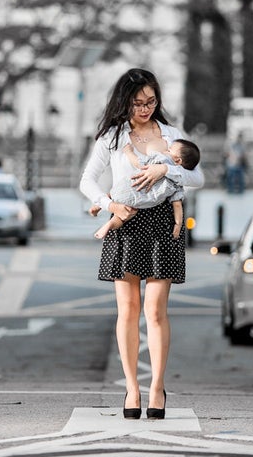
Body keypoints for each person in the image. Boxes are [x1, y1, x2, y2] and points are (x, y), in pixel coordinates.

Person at [79, 68, 204, 420]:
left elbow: (198, 175)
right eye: (138, 103)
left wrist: (166, 171)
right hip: (127, 219)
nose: (145, 109)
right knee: (128, 309)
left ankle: (157, 388)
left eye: (151, 102)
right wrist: (109, 205)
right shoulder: (113, 137)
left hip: (164, 222)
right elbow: (87, 180)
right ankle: (132, 388)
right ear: (125, 101)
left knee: (155, 310)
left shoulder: (171, 134)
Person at [89, 138, 201, 240]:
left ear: (177, 160)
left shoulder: (161, 159)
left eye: (169, 150)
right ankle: (109, 225)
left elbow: (138, 163)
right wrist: (178, 224)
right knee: (121, 218)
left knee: (113, 193)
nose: (166, 151)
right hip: (139, 202)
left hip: (128, 186)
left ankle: (98, 205)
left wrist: (129, 152)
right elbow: (177, 205)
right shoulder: (177, 184)